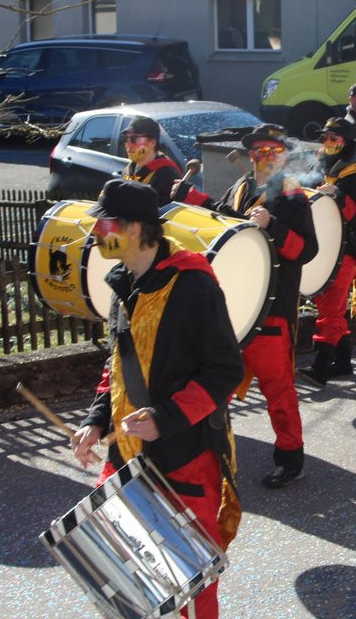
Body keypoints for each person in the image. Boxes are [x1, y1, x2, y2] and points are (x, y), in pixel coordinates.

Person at [71, 179, 242, 617]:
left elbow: (225, 370)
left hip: (183, 456)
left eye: (103, 223)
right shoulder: (122, 282)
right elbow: (118, 366)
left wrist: (166, 418)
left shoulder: (193, 286)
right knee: (130, 576)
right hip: (127, 456)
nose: (94, 233)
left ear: (133, 228)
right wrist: (95, 420)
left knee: (189, 583)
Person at [172, 123, 318, 488]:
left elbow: (307, 250)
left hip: (271, 307)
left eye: (272, 151)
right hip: (233, 305)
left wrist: (274, 227)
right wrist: (194, 199)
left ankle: (290, 458)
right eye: (258, 152)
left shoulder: (292, 195)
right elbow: (225, 219)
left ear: (283, 156)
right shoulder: (242, 187)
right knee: (213, 384)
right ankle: (213, 455)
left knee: (278, 389)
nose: (264, 157)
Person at [300, 116, 356, 387]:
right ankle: (343, 362)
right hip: (329, 245)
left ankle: (320, 367)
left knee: (331, 308)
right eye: (325, 138)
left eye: (333, 138)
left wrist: (338, 196)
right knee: (332, 307)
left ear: (346, 142)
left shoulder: (355, 171)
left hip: (347, 249)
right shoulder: (324, 162)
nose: (327, 143)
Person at [120, 115, 182, 206]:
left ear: (153, 142)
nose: (128, 145)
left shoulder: (167, 174)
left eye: (134, 139)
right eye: (125, 138)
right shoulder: (129, 169)